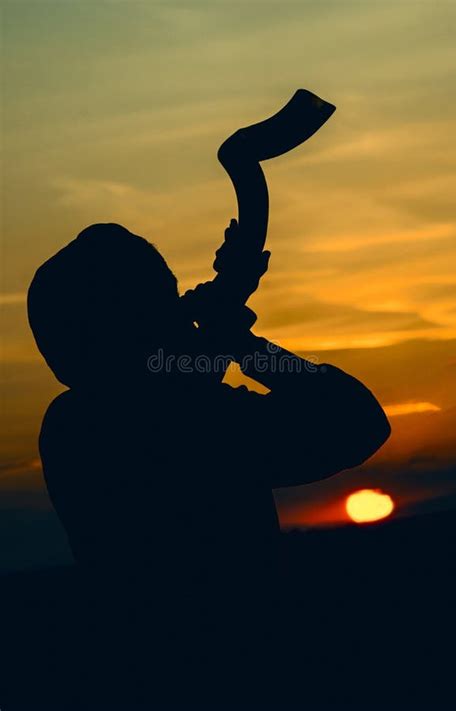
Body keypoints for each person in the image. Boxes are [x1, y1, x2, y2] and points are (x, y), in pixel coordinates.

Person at [28, 221, 390, 706]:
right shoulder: (144, 421)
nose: (179, 312)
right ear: (126, 327)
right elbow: (356, 420)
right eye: (162, 302)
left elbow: (169, 384)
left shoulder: (76, 425)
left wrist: (226, 329)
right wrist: (243, 343)